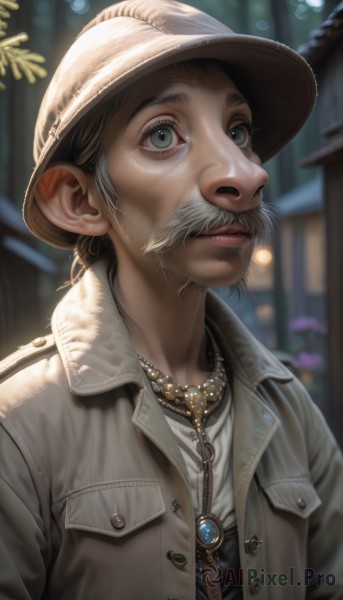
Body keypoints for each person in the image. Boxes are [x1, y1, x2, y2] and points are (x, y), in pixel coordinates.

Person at [0, 1, 342, 598]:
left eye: (238, 131)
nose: (244, 172)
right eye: (163, 135)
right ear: (82, 201)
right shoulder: (20, 426)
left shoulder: (291, 413)